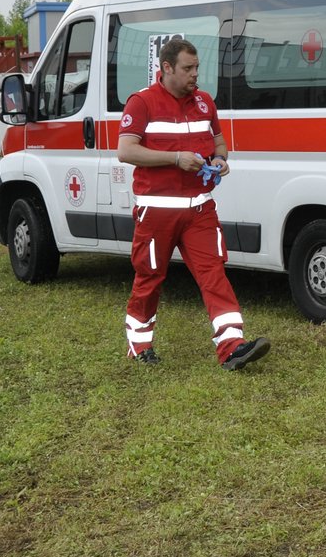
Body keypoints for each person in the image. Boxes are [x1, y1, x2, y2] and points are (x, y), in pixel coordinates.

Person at [116, 37, 271, 371]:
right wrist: (174, 159)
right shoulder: (141, 103)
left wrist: (220, 160)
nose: (194, 75)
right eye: (187, 68)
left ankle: (232, 347)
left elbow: (219, 141)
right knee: (150, 278)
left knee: (213, 274)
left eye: (197, 67)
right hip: (156, 210)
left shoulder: (204, 102)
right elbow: (126, 151)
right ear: (166, 67)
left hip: (200, 208)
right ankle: (140, 345)